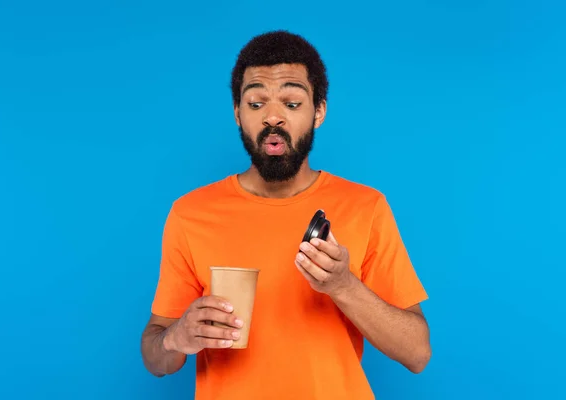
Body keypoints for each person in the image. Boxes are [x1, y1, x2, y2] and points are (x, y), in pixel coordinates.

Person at [140, 30, 431, 400]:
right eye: (256, 103)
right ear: (237, 114)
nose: (273, 117)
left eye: (291, 103)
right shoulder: (190, 213)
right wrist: (176, 337)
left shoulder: (365, 206)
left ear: (319, 111)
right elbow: (155, 359)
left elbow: (418, 353)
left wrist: (343, 286)